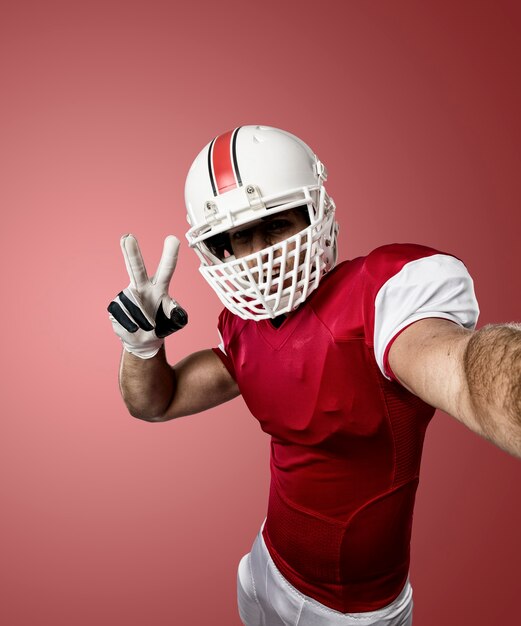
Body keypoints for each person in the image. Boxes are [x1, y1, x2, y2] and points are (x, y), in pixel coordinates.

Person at [108, 125, 520, 626]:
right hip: (267, 561)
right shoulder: (242, 326)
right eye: (238, 237)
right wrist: (142, 347)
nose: (261, 256)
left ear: (315, 213)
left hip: (351, 610)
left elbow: (465, 376)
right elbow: (157, 402)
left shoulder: (380, 298)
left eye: (275, 225)